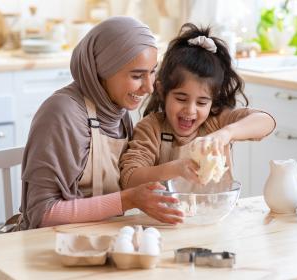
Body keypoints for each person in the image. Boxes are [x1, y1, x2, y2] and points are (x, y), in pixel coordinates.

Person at [16, 16, 184, 230]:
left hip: (102, 238)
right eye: (137, 76)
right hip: (51, 244)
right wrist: (128, 200)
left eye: (152, 72)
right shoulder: (61, 113)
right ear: (103, 70)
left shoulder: (118, 111)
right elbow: (41, 213)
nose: (149, 88)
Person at [119, 23, 276, 191]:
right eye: (181, 98)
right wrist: (176, 169)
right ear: (162, 90)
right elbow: (129, 178)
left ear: (213, 101)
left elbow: (266, 122)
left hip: (216, 214)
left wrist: (226, 134)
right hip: (165, 216)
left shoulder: (216, 122)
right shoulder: (151, 128)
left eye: (202, 102)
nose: (190, 110)